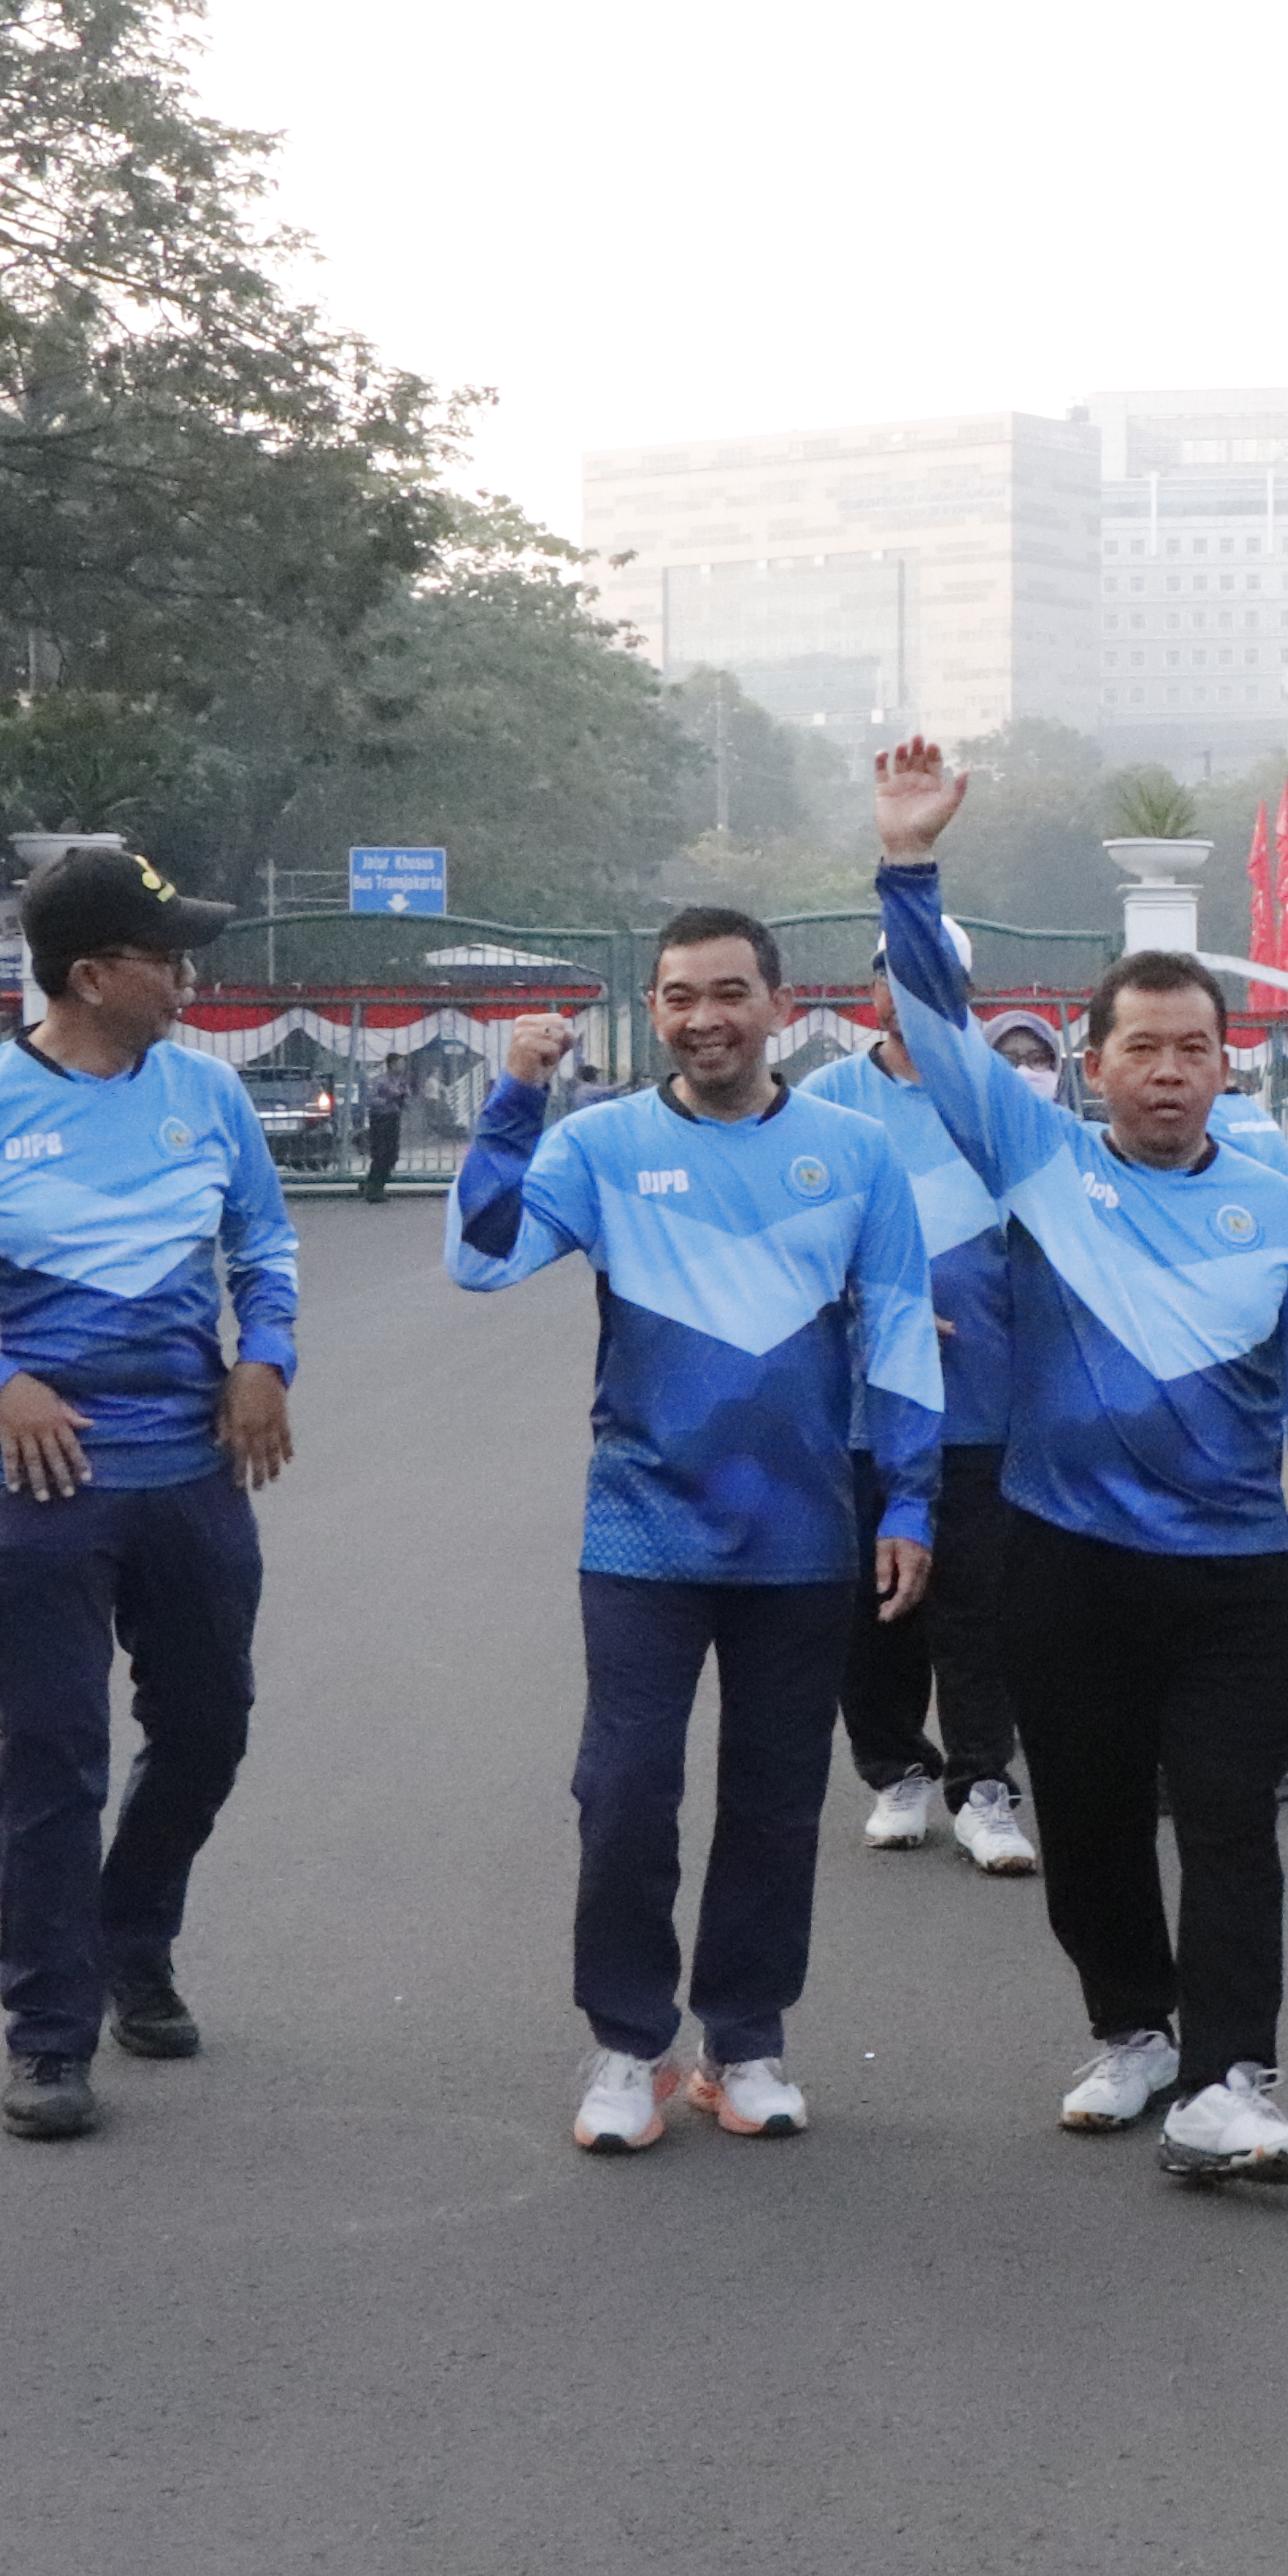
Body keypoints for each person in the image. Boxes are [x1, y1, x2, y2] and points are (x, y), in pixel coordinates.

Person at [871, 742, 1288, 2185]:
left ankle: (1232, 2077)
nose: (1169, 1070)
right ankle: (1133, 2030)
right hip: (1065, 1567)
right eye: (1141, 1048)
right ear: (1090, 1066)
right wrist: (908, 864)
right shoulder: (1043, 1165)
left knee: (1228, 1822)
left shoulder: (1271, 1204)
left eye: (1194, 1048)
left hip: (1231, 1579)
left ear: (1228, 1066)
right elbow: (934, 1027)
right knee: (1089, 1828)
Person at [449, 914, 941, 2154]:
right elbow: (479, 1257)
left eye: (730, 992)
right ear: (654, 1012)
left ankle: (746, 2042)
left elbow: (896, 1329)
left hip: (803, 1536)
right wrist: (515, 1098)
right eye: (679, 997)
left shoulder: (854, 1152)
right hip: (641, 1532)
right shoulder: (601, 1144)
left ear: (781, 1005)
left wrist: (915, 1501)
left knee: (776, 1800)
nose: (705, 1017)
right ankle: (629, 2047)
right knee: (623, 1793)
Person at [0, 845, 298, 2142]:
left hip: (194, 1474)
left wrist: (265, 1357)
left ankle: (131, 1937)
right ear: (92, 975)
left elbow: (264, 1240)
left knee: (208, 1727)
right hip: (33, 1491)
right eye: (165, 954)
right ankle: (48, 2036)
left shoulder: (206, 1094)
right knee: (55, 1755)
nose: (186, 974)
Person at [796, 930, 1040, 1877]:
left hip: (981, 1403)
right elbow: (783, 1239)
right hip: (856, 1411)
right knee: (871, 1604)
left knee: (978, 1603)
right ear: (874, 995)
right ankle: (895, 1768)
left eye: (938, 981)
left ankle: (984, 1785)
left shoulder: (1001, 1102)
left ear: (967, 995)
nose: (916, 996)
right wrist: (867, 1302)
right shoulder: (824, 1103)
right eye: (899, 979)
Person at [356, 1053, 412, 1203]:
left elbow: (407, 1102)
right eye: (400, 1063)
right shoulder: (379, 1081)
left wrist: (403, 1098)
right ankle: (375, 1189)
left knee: (392, 1154)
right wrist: (388, 1099)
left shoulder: (402, 1082)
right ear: (391, 1065)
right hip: (380, 1119)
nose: (402, 1067)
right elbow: (370, 1100)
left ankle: (372, 1184)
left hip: (394, 1118)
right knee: (380, 1153)